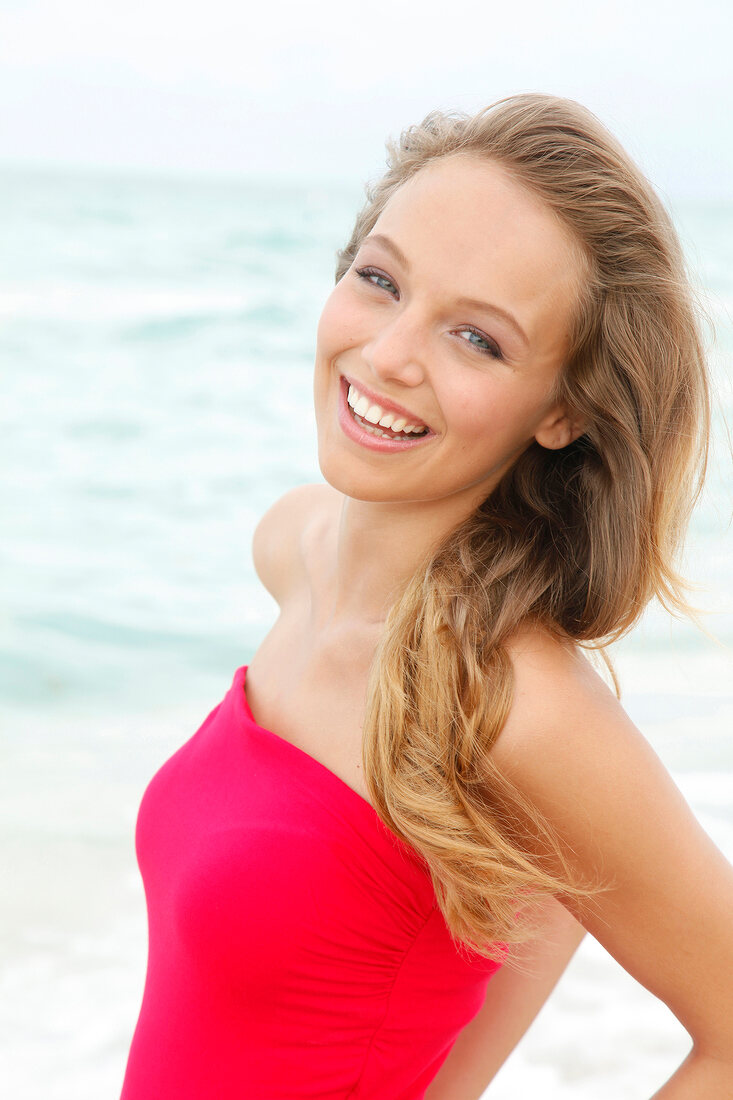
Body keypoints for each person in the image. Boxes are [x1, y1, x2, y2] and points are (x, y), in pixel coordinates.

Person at [120, 94, 733, 1099]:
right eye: (380, 280)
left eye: (477, 339)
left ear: (563, 409)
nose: (392, 353)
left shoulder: (511, 699)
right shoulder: (292, 547)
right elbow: (548, 887)